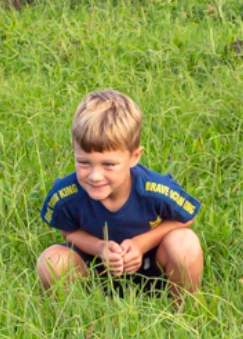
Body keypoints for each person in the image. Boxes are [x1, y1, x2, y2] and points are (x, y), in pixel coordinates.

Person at [36, 89, 203, 301]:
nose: (95, 176)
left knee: (185, 243)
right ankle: (73, 316)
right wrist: (100, 248)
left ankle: (184, 310)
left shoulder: (156, 189)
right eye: (84, 162)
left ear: (134, 157)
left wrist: (141, 244)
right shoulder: (65, 194)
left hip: (152, 267)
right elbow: (68, 231)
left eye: (108, 164)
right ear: (73, 149)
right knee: (50, 261)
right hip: (95, 270)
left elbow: (187, 217)